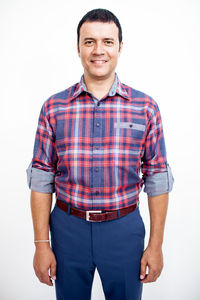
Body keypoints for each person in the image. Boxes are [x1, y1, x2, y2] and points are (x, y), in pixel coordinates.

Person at [26, 8, 174, 300]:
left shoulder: (145, 108)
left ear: (120, 47)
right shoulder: (53, 108)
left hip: (124, 229)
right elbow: (41, 179)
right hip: (68, 230)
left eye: (108, 41)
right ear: (78, 47)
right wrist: (42, 245)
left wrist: (155, 245)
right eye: (89, 41)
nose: (98, 50)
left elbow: (157, 178)